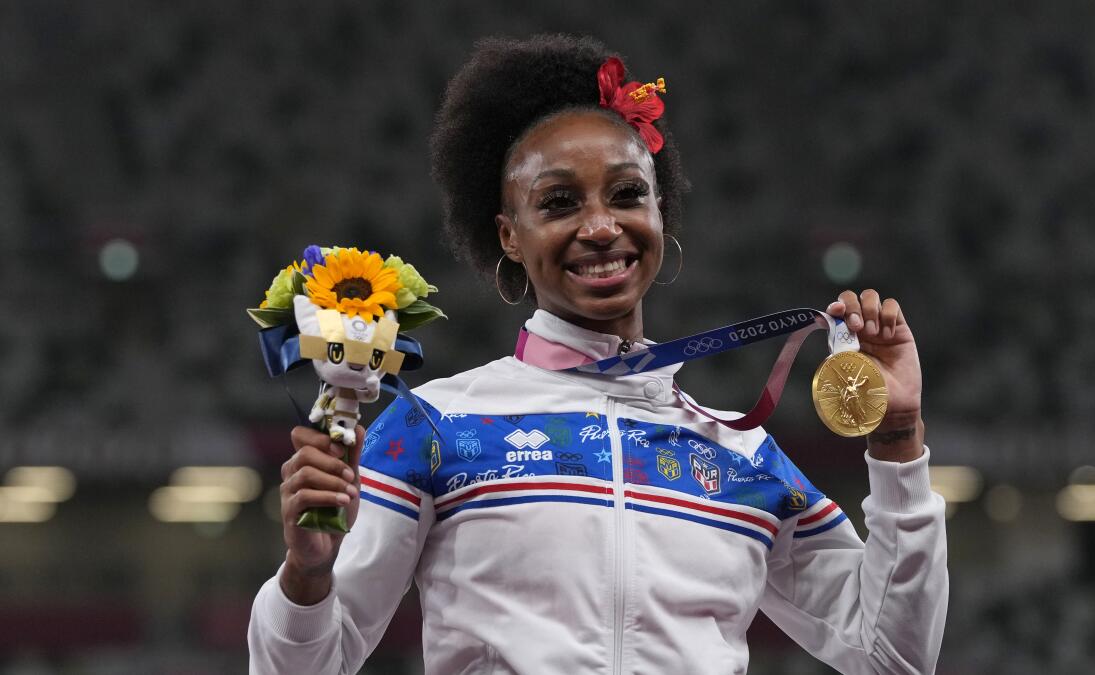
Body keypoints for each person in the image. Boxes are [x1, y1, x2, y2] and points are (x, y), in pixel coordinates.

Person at [248, 34, 947, 674]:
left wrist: (896, 440)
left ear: (660, 213)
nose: (601, 226)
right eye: (558, 203)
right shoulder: (434, 427)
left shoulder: (742, 454)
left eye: (626, 194)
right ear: (509, 235)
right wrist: (306, 578)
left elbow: (890, 654)